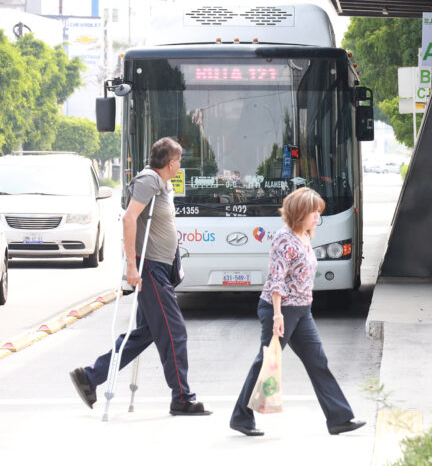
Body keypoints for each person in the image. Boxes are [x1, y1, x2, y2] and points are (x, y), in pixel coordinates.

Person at [70, 137, 211, 416]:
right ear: (171, 163)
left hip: (160, 268)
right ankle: (182, 398)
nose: (179, 165)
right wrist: (132, 268)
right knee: (175, 332)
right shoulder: (148, 181)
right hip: (150, 269)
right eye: (179, 160)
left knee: (145, 333)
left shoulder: (163, 184)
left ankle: (90, 377)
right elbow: (129, 218)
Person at [230, 187, 365, 437]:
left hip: (302, 310)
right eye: (314, 212)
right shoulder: (284, 239)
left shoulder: (304, 236)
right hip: (281, 309)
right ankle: (241, 417)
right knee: (267, 361)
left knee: (318, 361)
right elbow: (276, 279)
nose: (317, 216)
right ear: (299, 212)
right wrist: (277, 315)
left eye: (318, 211)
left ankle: (340, 418)